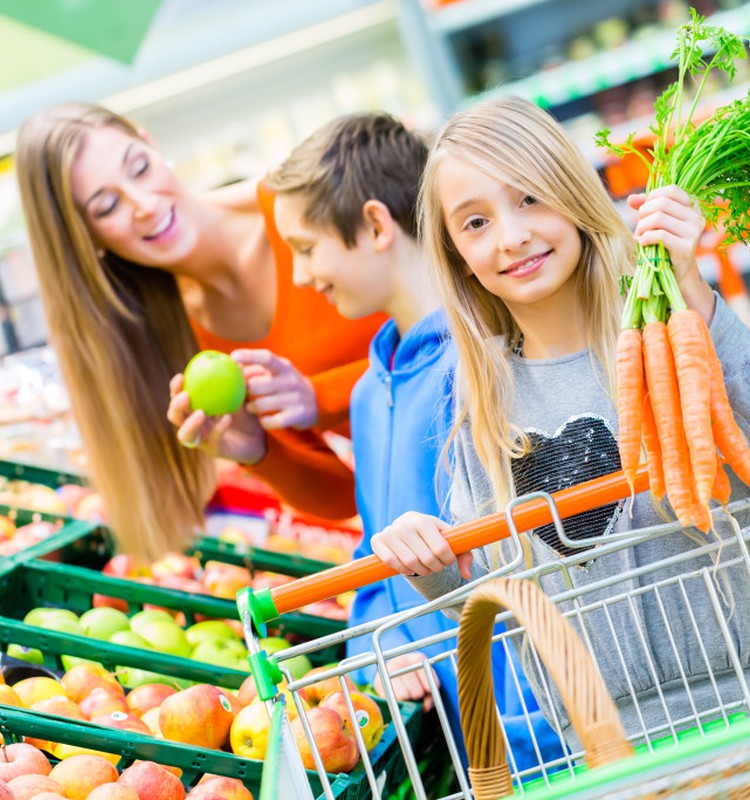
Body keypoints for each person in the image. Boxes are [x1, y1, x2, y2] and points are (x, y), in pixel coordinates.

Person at [184, 110, 565, 772]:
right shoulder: (371, 388)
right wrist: (375, 653)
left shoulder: (483, 359)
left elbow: (524, 546)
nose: (301, 278)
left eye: (305, 248)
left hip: (540, 722)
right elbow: (374, 553)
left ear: (377, 225)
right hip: (458, 733)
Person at [370, 96, 750, 750]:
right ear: (457, 254)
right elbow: (491, 603)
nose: (511, 237)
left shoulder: (669, 332)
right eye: (476, 222)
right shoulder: (477, 405)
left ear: (571, 195)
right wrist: (427, 559)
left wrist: (696, 294)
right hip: (604, 749)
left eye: (529, 200)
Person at [14, 102, 385, 560]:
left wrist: (319, 397)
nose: (145, 205)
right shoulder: (178, 335)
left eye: (140, 168)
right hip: (426, 523)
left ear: (152, 144)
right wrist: (259, 451)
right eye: (107, 206)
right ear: (85, 240)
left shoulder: (308, 199)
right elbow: (344, 498)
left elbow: (461, 329)